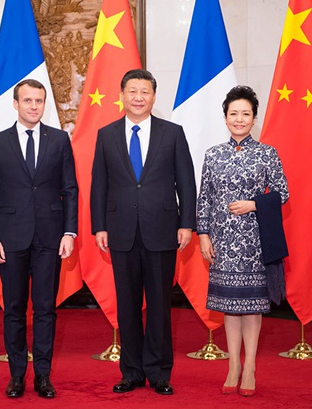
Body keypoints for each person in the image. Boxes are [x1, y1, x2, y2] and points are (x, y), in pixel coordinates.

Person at [90, 69, 196, 396]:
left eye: (145, 91)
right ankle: (131, 371)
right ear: (122, 95)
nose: (138, 97)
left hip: (162, 230)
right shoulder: (106, 135)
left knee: (160, 305)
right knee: (127, 305)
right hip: (120, 231)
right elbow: (99, 184)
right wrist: (99, 226)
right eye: (132, 91)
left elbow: (186, 182)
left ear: (153, 96)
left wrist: (186, 223)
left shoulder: (172, 133)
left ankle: (159, 372)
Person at [0, 79, 78, 399]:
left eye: (39, 101)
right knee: (14, 308)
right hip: (10, 239)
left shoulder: (59, 139)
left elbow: (70, 189)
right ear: (16, 104)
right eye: (28, 101)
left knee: (46, 308)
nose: (34, 106)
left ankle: (43, 375)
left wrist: (69, 231)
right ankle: (17, 375)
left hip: (50, 237)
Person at [197, 85, 289, 397]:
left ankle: (249, 366)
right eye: (233, 113)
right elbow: (205, 199)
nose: (239, 119)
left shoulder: (267, 153)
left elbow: (283, 192)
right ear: (225, 118)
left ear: (254, 118)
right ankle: (233, 365)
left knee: (251, 307)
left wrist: (254, 204)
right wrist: (203, 235)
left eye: (245, 114)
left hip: (254, 243)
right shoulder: (213, 154)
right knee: (230, 306)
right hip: (222, 242)